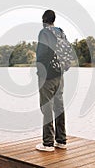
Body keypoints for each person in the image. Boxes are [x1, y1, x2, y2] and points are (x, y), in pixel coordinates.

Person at [36, 10, 67, 152]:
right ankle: (61, 140)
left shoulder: (44, 33)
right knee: (59, 106)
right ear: (54, 20)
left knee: (46, 107)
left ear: (43, 20)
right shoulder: (60, 31)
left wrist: (40, 71)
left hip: (47, 76)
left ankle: (48, 143)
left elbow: (42, 53)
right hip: (60, 75)